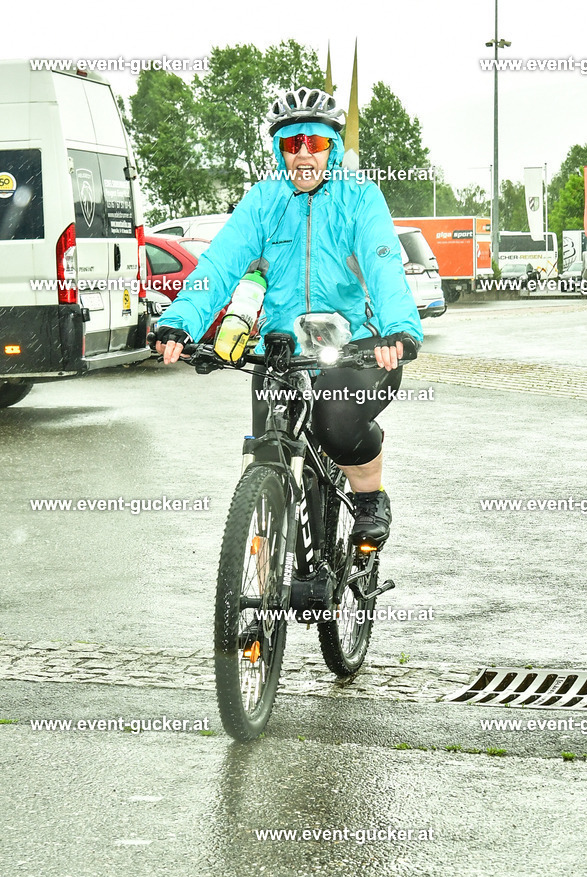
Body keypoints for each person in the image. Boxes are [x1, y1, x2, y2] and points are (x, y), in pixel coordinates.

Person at [152, 87, 423, 546]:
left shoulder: (359, 197)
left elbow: (382, 263)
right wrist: (182, 320)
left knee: (337, 423)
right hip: (282, 353)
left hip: (356, 349)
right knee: (269, 447)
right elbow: (219, 265)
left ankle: (370, 497)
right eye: (291, 145)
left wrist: (398, 327)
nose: (303, 155)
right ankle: (265, 560)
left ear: (331, 148)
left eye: (313, 144)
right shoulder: (264, 200)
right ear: (279, 151)